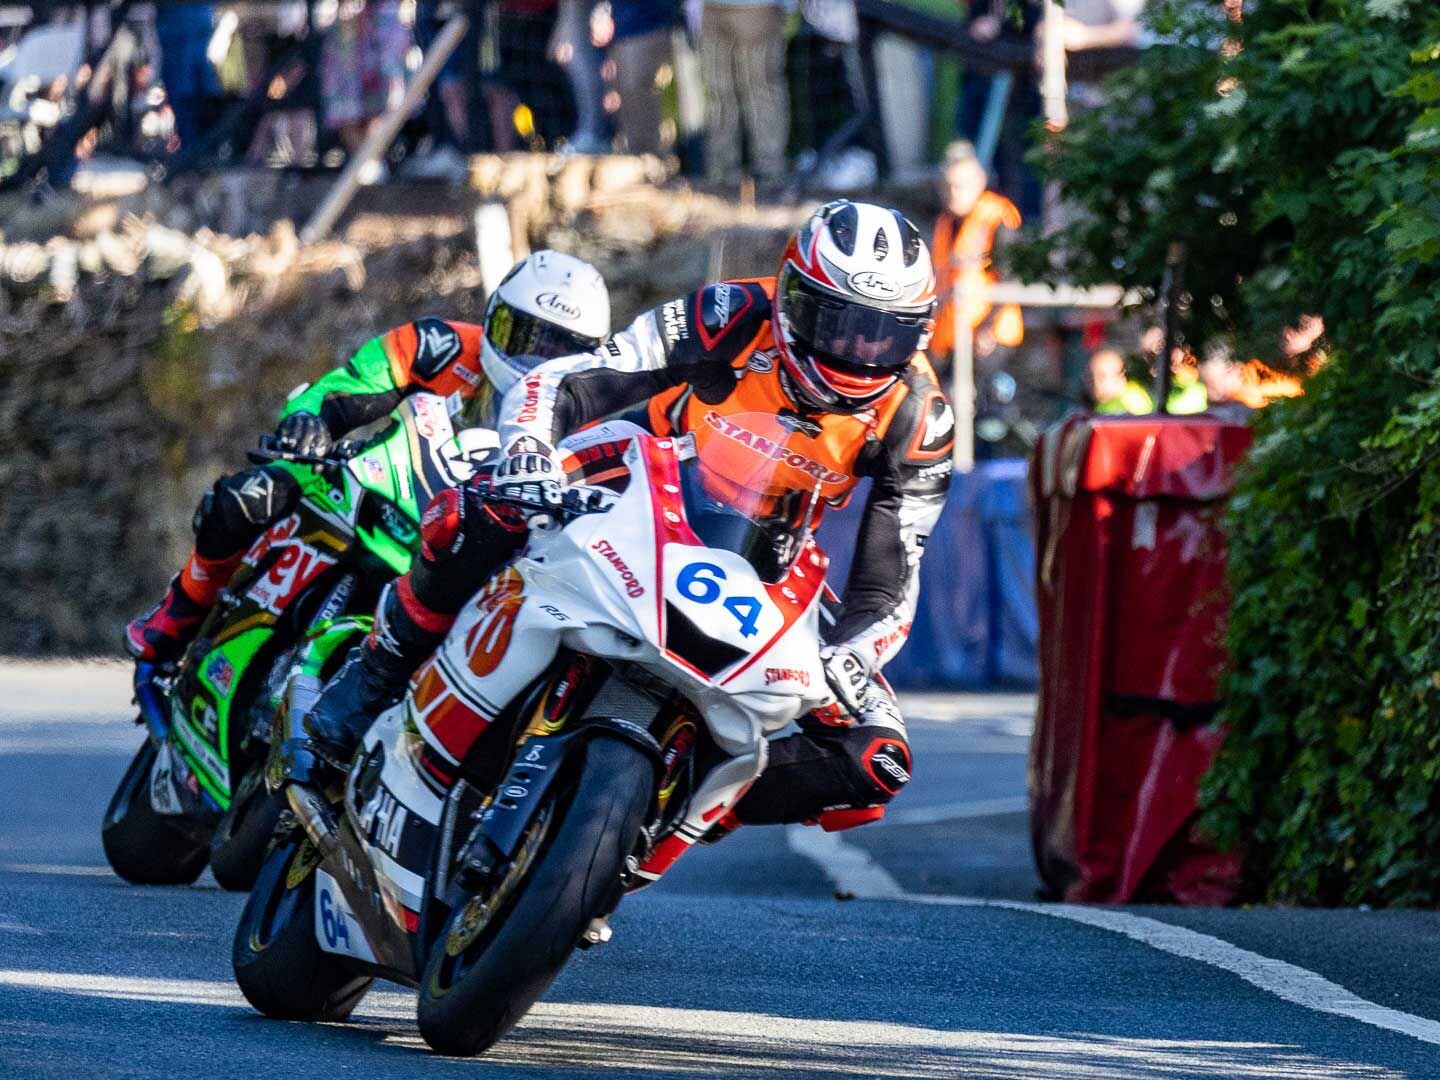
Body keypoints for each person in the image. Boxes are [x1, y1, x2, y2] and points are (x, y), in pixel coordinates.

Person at [302, 200, 953, 828]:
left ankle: (676, 799)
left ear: (919, 330)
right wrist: (528, 449)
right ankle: (377, 671)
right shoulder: (730, 313)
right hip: (645, 470)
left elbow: (893, 571)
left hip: (768, 553)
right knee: (484, 509)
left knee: (877, 759)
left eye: (883, 333)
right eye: (834, 322)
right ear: (789, 292)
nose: (856, 352)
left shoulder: (921, 417)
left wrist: (852, 655)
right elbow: (580, 377)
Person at [125, 251, 611, 664]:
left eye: (559, 352)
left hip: (471, 543)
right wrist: (310, 422)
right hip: (378, 483)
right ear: (492, 319)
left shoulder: (589, 417)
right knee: (250, 495)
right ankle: (181, 609)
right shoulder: (440, 346)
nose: (534, 362)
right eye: (523, 336)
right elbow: (347, 386)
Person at [928, 141, 1024, 373]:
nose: (953, 194)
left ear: (979, 183)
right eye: (948, 186)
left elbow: (1010, 277)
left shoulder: (997, 216)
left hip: (991, 337)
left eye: (960, 186)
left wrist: (988, 329)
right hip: (951, 336)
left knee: (983, 403)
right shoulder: (945, 222)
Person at [699, 0, 789, 184]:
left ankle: (770, 171)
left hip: (758, 8)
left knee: (760, 89)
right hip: (712, 7)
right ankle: (722, 173)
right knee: (719, 93)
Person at [1088, 347, 1152, 414]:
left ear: (1120, 378)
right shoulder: (1095, 405)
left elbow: (1146, 420)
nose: (1093, 382)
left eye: (1101, 377)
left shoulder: (1133, 399)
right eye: (1090, 375)